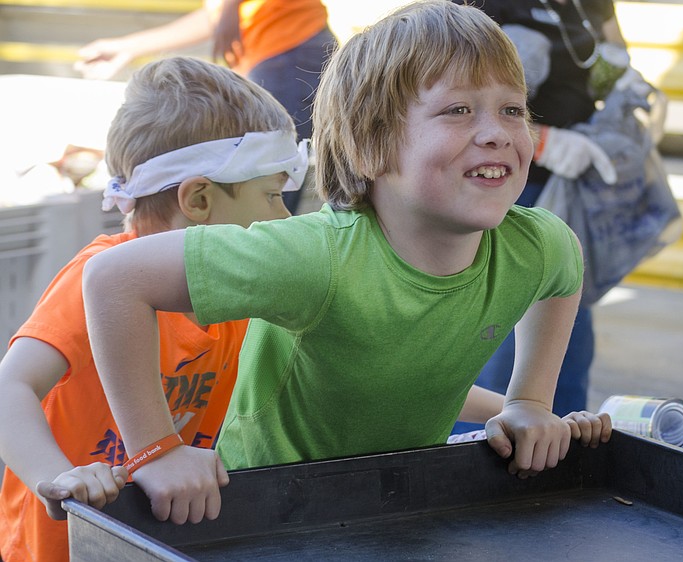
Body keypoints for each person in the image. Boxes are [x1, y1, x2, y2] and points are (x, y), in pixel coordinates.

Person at [81, 0, 587, 526]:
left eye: (512, 109)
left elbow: (563, 269)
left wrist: (529, 399)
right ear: (370, 147)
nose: (497, 132)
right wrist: (157, 452)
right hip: (265, 519)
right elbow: (113, 278)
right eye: (458, 110)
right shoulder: (317, 257)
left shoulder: (536, 244)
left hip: (399, 511)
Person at [0, 56, 307, 562]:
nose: (283, 217)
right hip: (61, 547)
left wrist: (487, 407)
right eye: (273, 196)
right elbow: (12, 388)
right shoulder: (96, 279)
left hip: (161, 541)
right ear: (200, 200)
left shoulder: (240, 289)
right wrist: (57, 479)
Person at [451, 0, 633, 432]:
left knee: (568, 341)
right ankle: (479, 454)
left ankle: (559, 448)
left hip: (569, 190)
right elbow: (449, 106)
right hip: (507, 185)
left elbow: (613, 44)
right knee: (500, 351)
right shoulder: (481, 7)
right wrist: (545, 141)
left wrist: (626, 88)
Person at [75, 0, 338, 214]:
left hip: (290, 49)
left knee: (268, 187)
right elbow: (214, 16)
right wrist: (128, 47)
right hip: (275, 54)